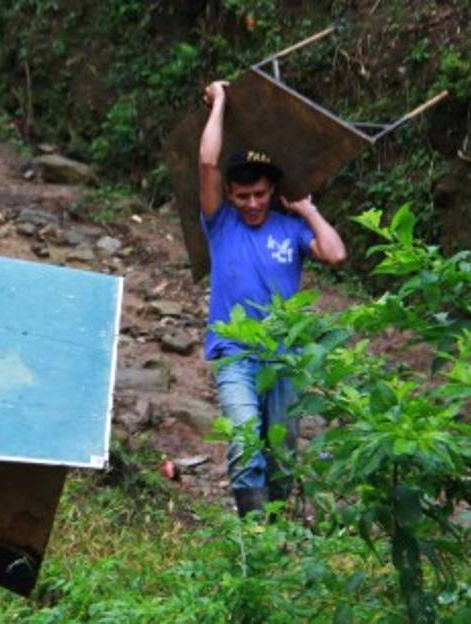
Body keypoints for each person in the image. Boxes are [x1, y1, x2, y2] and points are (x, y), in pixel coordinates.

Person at [197, 80, 347, 517]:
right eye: (242, 196)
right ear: (229, 195)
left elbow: (335, 254)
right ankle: (255, 534)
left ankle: (276, 532)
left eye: (260, 194)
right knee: (246, 441)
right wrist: (220, 102)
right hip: (235, 353)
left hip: (284, 357)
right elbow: (207, 162)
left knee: (281, 457)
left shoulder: (291, 229)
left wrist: (307, 209)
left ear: (272, 192)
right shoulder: (221, 224)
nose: (252, 203)